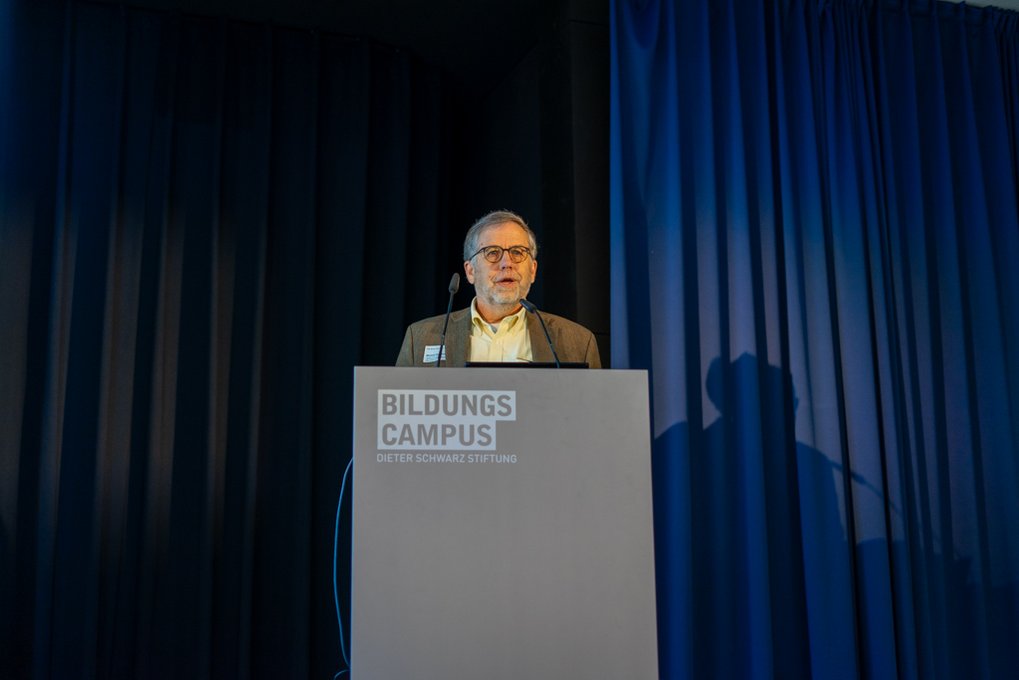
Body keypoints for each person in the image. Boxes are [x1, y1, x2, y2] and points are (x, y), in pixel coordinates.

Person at [396, 210, 602, 367]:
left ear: (532, 270)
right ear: (470, 271)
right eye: (492, 253)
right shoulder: (421, 338)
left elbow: (592, 416)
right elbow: (401, 412)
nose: (507, 263)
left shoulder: (577, 342)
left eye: (518, 252)